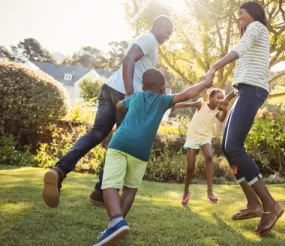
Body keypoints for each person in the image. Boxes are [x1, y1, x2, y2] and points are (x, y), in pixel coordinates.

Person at [42, 16, 173, 208]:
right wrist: (129, 92)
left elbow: (132, 62)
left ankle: (61, 172)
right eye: (167, 32)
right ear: (158, 26)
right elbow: (128, 60)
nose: (168, 37)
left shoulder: (145, 40)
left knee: (97, 133)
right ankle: (102, 191)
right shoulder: (150, 39)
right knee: (120, 145)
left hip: (109, 88)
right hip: (123, 94)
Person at [94, 69, 213, 246]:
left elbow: (119, 105)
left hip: (120, 144)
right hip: (141, 151)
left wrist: (123, 104)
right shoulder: (163, 100)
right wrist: (205, 83)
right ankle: (115, 226)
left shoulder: (135, 98)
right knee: (130, 189)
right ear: (163, 88)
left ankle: (117, 221)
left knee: (110, 185)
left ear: (142, 87)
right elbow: (187, 94)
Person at [206, 1, 284, 236]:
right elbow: (245, 73)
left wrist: (215, 65)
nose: (238, 18)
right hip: (246, 90)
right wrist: (229, 97)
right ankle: (253, 204)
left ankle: (271, 205)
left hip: (253, 91)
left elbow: (239, 50)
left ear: (253, 14)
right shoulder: (253, 31)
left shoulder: (257, 27)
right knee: (227, 147)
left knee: (234, 146)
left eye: (241, 13)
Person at [174, 88, 227, 205]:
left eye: (222, 98)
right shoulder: (201, 104)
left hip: (206, 136)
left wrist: (225, 110)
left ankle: (210, 191)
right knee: (190, 167)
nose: (220, 100)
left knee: (209, 157)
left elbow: (222, 119)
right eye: (218, 98)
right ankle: (186, 191)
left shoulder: (217, 110)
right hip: (193, 136)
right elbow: (187, 104)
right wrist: (173, 104)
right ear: (210, 98)